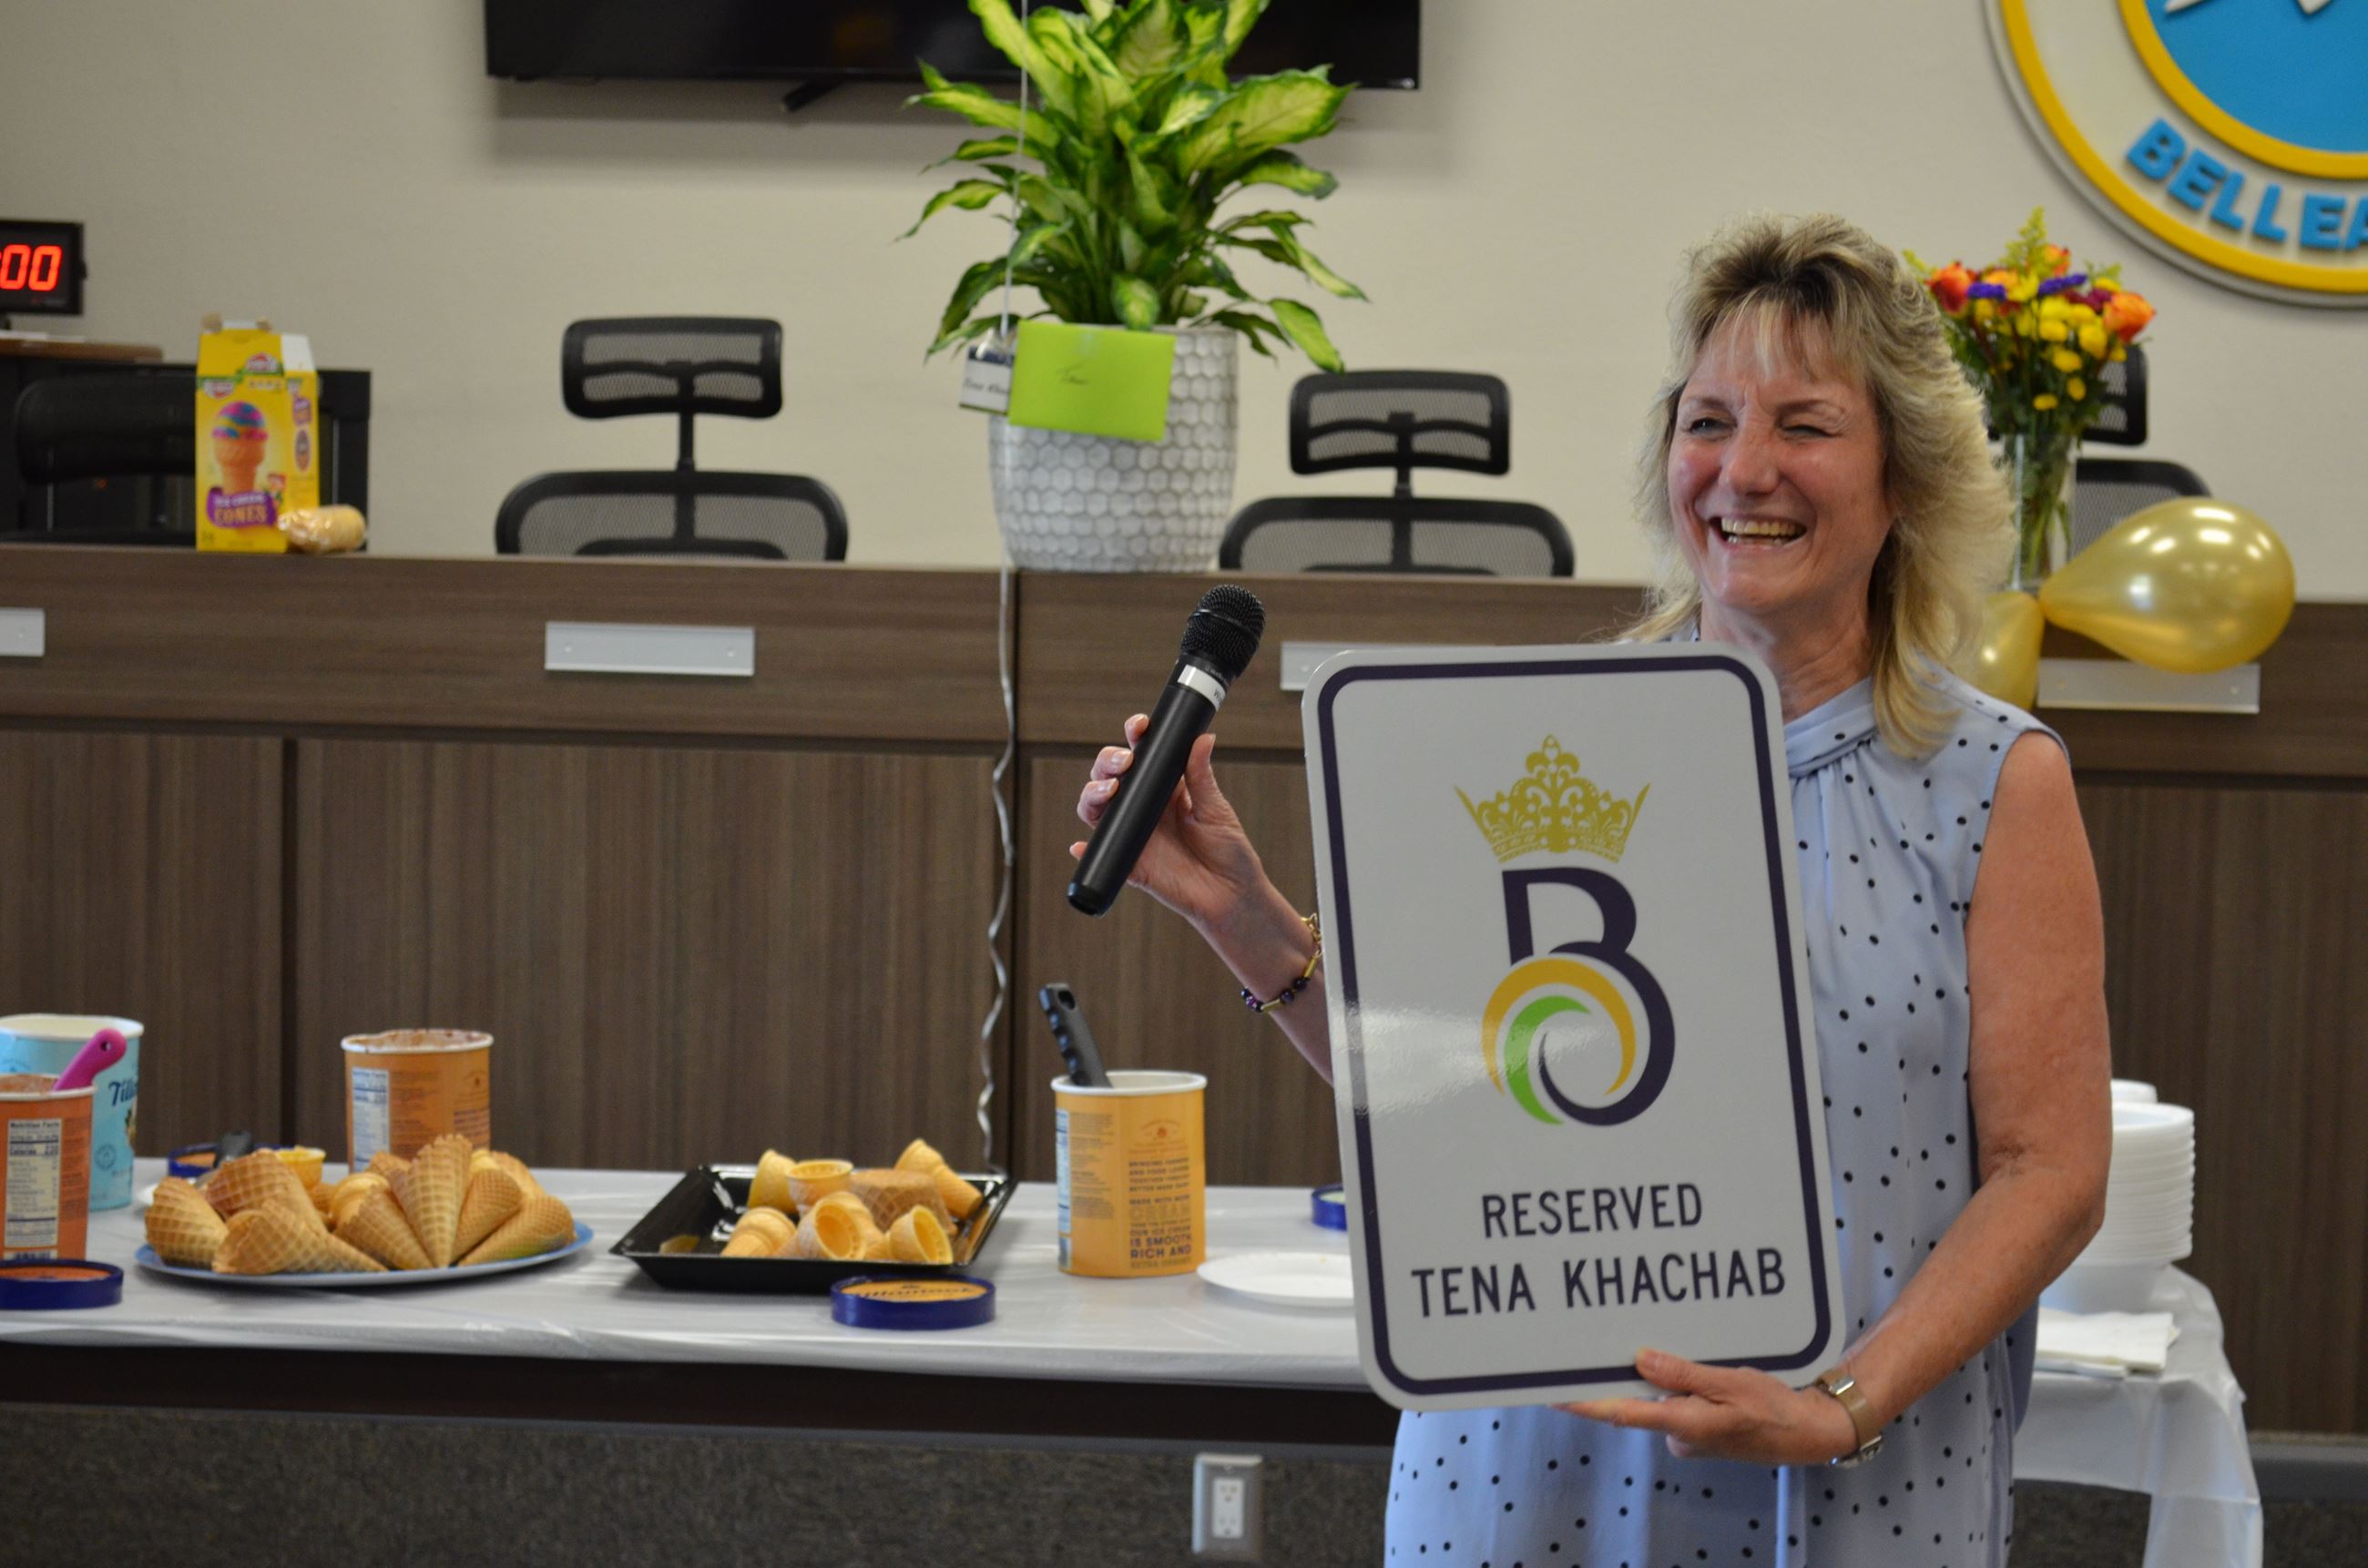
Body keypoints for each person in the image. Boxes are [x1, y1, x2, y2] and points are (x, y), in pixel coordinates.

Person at [1072, 213, 2111, 1564]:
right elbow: (1462, 1089)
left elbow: (2052, 1169)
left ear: (1903, 477)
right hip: (1527, 1473)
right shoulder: (1546, 734)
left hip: (1853, 1477)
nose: (1744, 469)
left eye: (1804, 423)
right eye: (1708, 419)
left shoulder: (1995, 777)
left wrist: (1835, 1404)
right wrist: (1246, 917)